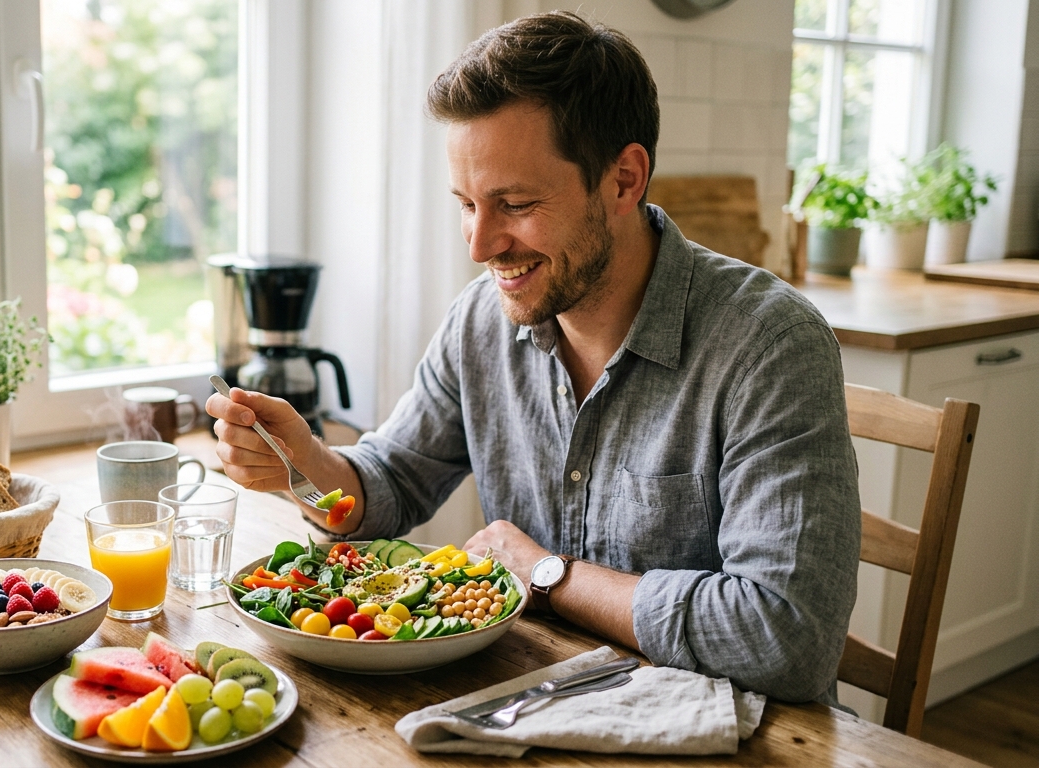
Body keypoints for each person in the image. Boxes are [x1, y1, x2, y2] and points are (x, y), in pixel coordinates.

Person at [206, 11, 860, 706]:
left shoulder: (770, 346)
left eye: (514, 204)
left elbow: (786, 638)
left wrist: (548, 574)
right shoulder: (480, 320)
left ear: (623, 180)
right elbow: (391, 482)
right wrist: (303, 465)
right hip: (534, 707)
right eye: (465, 204)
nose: (480, 245)